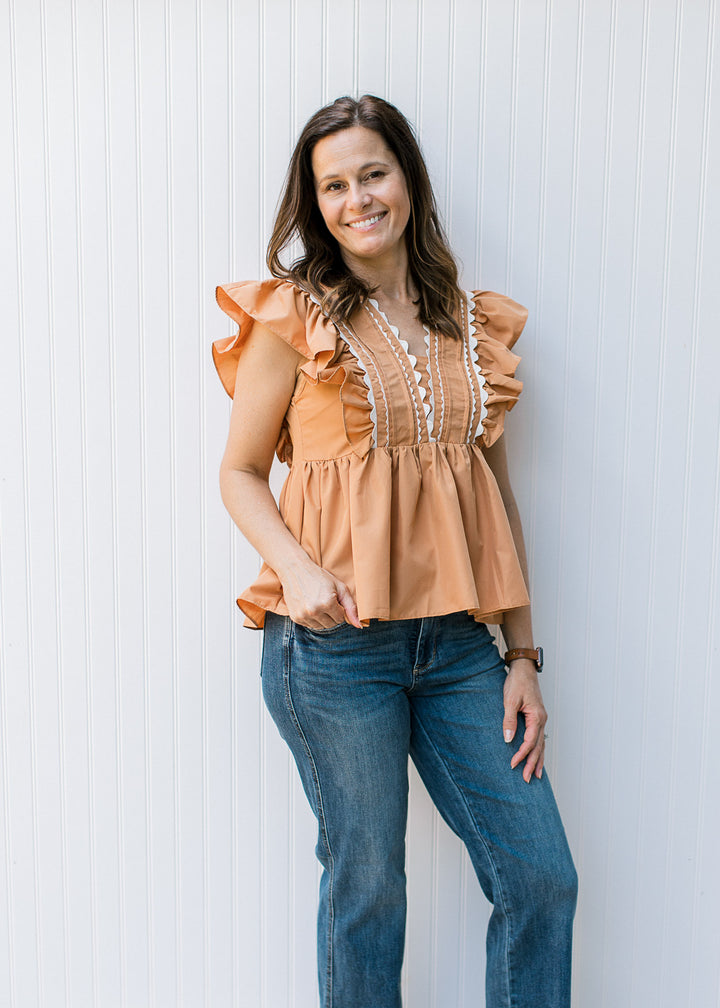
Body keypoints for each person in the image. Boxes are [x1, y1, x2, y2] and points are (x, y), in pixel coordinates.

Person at [213, 94, 577, 1008]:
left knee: (540, 878)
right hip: (334, 649)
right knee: (368, 889)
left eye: (372, 174)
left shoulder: (466, 322)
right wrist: (297, 570)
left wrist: (521, 655)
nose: (357, 199)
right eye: (333, 186)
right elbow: (240, 472)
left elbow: (494, 500)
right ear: (314, 203)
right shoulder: (294, 318)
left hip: (457, 648)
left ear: (406, 178)